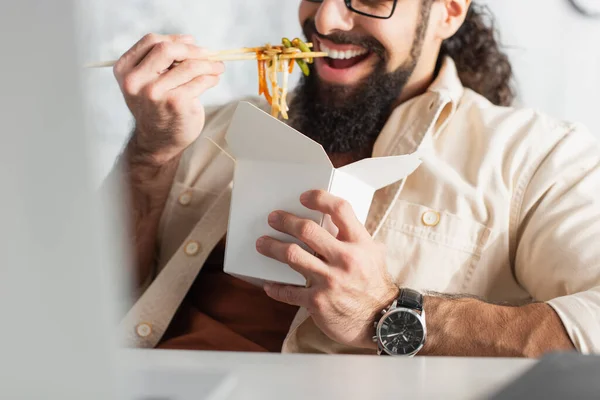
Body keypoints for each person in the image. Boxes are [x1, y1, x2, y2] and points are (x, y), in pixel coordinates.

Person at [110, 0, 600, 356]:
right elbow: (79, 301)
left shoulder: (536, 157)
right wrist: (149, 157)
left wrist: (389, 313)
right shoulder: (197, 127)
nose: (324, 19)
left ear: (448, 12)